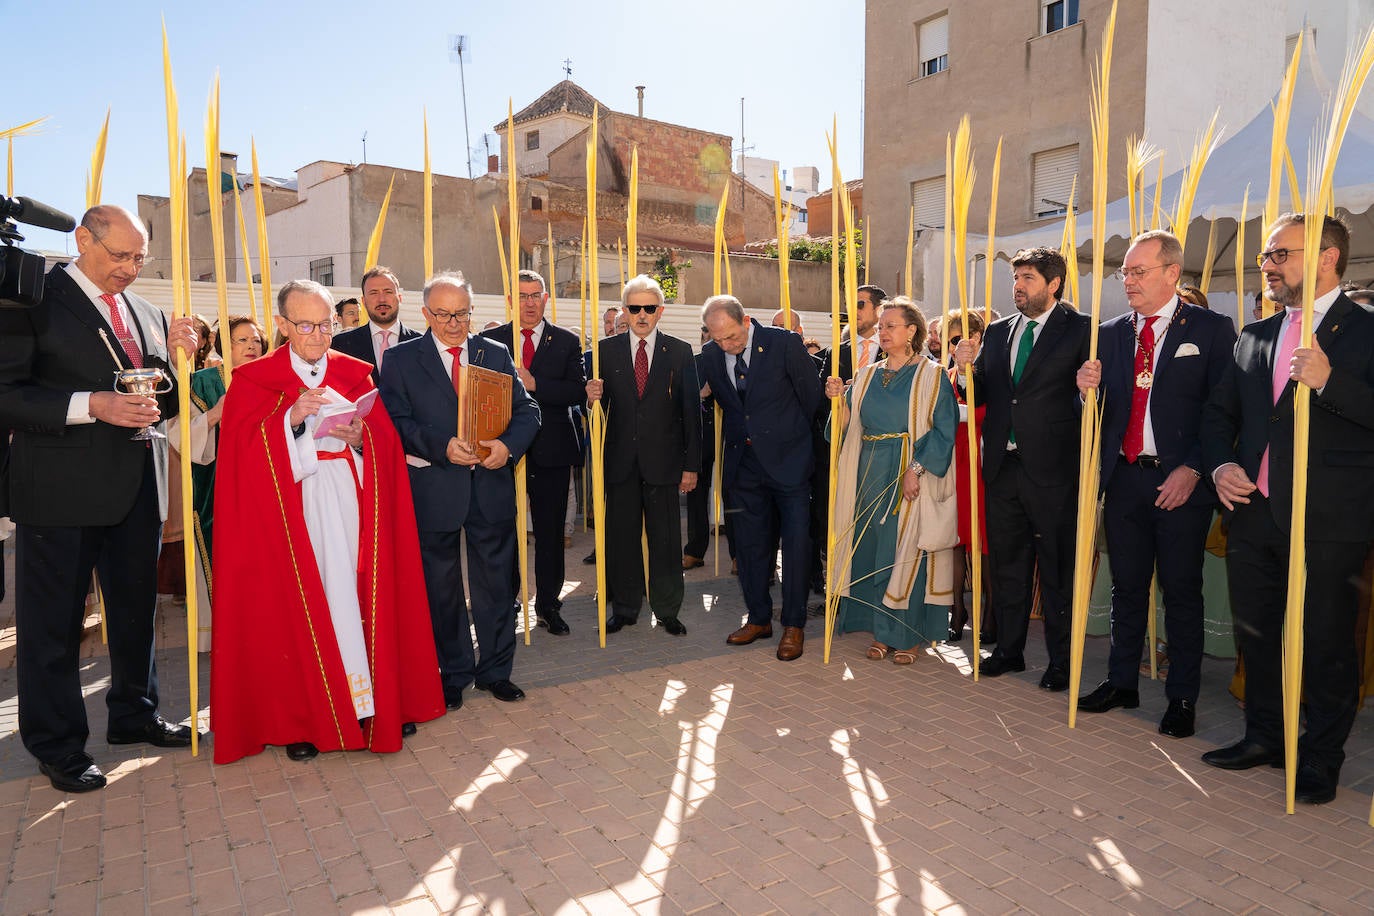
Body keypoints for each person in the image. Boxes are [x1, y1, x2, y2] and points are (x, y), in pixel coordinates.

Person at [0, 204, 202, 792]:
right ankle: (57, 745)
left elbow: (156, 400)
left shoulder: (146, 312)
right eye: (120, 255)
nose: (131, 268)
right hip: (58, 492)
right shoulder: (31, 298)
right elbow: (7, 394)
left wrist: (176, 360)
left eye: (140, 258)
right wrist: (91, 404)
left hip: (136, 489)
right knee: (55, 627)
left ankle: (135, 714)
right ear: (83, 239)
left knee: (137, 615)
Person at [211, 279, 445, 763]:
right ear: (282, 325)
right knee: (301, 605)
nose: (319, 335)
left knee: (357, 597)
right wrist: (291, 420)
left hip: (351, 501)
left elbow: (385, 444)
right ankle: (302, 718)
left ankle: (370, 704)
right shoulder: (254, 380)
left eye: (326, 324)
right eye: (306, 326)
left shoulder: (354, 373)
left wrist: (362, 439)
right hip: (293, 511)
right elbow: (239, 457)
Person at [1200, 213, 1374, 805]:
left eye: (1280, 254)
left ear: (1327, 257)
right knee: (1257, 633)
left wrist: (1330, 383)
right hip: (1254, 512)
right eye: (1265, 256)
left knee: (1326, 640)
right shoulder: (1256, 335)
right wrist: (1221, 466)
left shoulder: (1366, 331)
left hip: (1331, 518)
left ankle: (1322, 756)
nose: (1267, 266)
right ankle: (1265, 737)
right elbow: (1219, 415)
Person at [1074, 230, 1236, 739]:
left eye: (1139, 271)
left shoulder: (1210, 329)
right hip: (1125, 479)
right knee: (1126, 587)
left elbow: (1223, 411)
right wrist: (1085, 394)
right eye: (1125, 272)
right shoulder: (1111, 332)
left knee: (1182, 590)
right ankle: (1121, 681)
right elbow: (1101, 412)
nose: (1128, 280)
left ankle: (1182, 697)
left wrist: (1194, 469)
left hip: (1181, 482)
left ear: (1172, 273)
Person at [382, 271, 540, 707]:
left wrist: (506, 447)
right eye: (444, 315)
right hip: (435, 490)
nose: (454, 324)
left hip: (490, 487)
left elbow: (528, 411)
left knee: (497, 588)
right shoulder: (400, 359)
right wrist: (441, 447)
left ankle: (496, 672)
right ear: (425, 313)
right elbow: (395, 422)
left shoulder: (495, 352)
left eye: (462, 314)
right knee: (442, 589)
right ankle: (453, 673)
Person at [952, 247, 1091, 690]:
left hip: (1053, 471)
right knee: (1007, 567)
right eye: (1016, 278)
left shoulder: (1083, 330)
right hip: (1003, 468)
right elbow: (984, 391)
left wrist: (1086, 392)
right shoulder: (997, 331)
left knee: (1056, 571)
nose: (1018, 286)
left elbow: (1091, 400)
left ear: (1054, 283)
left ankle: (1061, 662)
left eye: (1028, 278)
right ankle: (1008, 651)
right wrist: (964, 369)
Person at [826, 299, 958, 663]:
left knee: (903, 553)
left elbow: (944, 430)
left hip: (907, 471)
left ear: (912, 331)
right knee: (870, 551)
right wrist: (837, 401)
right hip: (867, 470)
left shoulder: (932, 375)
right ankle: (879, 631)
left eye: (890, 326)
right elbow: (847, 427)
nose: (882, 332)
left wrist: (915, 470)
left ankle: (906, 635)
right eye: (881, 326)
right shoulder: (866, 374)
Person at [700, 295, 823, 660]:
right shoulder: (710, 355)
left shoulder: (783, 343)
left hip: (790, 464)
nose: (727, 345)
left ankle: (794, 624)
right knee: (750, 547)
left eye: (732, 337)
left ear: (746, 320)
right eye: (718, 339)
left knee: (796, 546)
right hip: (744, 467)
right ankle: (758, 618)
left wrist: (794, 445)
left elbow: (811, 398)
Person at [585, 275, 700, 636]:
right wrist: (590, 399)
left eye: (649, 308)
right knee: (622, 540)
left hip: (664, 464)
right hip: (620, 463)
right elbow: (595, 411)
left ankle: (667, 610)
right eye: (634, 308)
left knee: (666, 541)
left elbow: (691, 413)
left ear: (660, 311)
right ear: (625, 310)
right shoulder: (604, 352)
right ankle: (625, 608)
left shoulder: (679, 352)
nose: (641, 315)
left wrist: (691, 466)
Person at [480, 269, 584, 636]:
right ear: (511, 300)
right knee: (502, 530)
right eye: (522, 296)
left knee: (550, 533)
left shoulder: (567, 341)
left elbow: (576, 391)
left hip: (552, 450)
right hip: (502, 450)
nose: (529, 303)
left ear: (545, 299)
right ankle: (507, 602)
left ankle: (549, 605)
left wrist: (536, 383)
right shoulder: (491, 341)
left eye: (535, 295)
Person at [168, 315, 269, 651]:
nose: (251, 346)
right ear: (225, 345)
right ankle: (226, 636)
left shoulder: (270, 379)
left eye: (256, 340)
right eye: (242, 340)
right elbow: (178, 436)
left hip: (263, 490)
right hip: (217, 488)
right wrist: (214, 415)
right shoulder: (203, 383)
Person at [943, 310, 993, 643]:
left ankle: (990, 614)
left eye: (958, 339)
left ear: (976, 338)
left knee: (984, 543)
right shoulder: (946, 375)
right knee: (955, 541)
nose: (954, 347)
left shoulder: (990, 372)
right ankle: (957, 610)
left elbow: (986, 411)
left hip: (981, 462)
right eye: (950, 341)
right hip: (953, 462)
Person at [331, 266, 420, 383]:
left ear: (399, 298)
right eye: (373, 293)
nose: (381, 299)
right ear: (363, 301)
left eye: (388, 292)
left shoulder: (423, 345)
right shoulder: (340, 345)